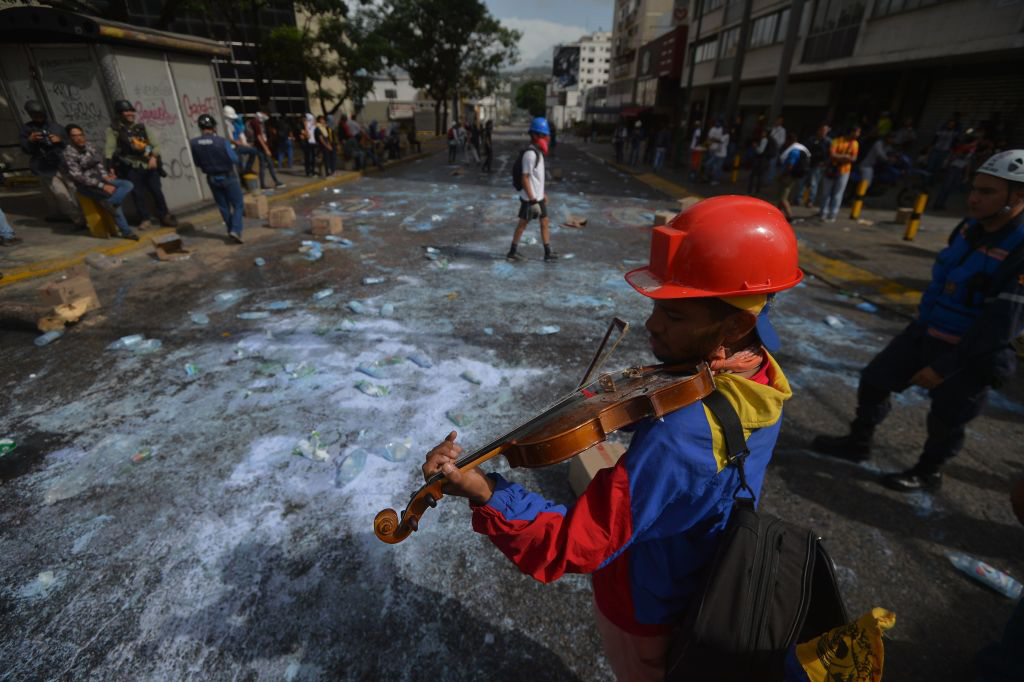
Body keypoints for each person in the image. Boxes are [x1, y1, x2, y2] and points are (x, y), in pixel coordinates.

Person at [423, 195, 802, 681]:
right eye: (658, 306)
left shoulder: (679, 435)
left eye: (676, 316)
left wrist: (482, 490)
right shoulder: (762, 375)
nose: (651, 325)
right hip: (697, 566)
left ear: (737, 323)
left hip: (646, 597)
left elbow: (573, 544)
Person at [811, 149, 1024, 491]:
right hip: (929, 330)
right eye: (974, 189)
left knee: (947, 417)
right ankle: (858, 442)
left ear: (1019, 196)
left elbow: (1001, 325)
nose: (973, 198)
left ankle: (929, 471)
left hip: (973, 354)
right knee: (876, 379)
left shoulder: (1019, 248)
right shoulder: (969, 228)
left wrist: (945, 367)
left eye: (987, 192)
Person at [104, 99, 177, 230]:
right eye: (126, 111)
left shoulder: (142, 127)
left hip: (148, 164)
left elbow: (155, 146)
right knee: (137, 194)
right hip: (131, 166)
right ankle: (145, 218)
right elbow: (109, 149)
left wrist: (153, 157)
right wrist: (109, 166)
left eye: (131, 110)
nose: (129, 113)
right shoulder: (114, 130)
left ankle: (164, 215)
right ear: (119, 114)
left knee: (156, 191)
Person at [61, 124, 137, 240]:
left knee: (127, 184)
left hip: (100, 179)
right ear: (69, 138)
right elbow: (78, 176)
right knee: (112, 198)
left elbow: (99, 164)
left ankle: (111, 202)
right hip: (86, 185)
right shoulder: (68, 153)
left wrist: (106, 176)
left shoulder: (90, 146)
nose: (79, 138)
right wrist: (102, 185)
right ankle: (126, 231)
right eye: (74, 136)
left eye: (81, 135)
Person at [18, 100, 84, 228]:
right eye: (34, 115)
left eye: (40, 114)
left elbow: (71, 144)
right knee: (62, 196)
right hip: (46, 168)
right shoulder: (27, 130)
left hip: (63, 164)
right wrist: (30, 140)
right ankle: (79, 221)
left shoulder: (55, 127)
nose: (38, 117)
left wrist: (60, 140)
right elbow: (25, 149)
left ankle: (87, 215)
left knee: (76, 191)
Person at [507, 117, 558, 263]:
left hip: (538, 196)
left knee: (545, 222)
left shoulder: (538, 152)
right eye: (543, 135)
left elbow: (537, 178)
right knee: (523, 224)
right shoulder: (530, 154)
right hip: (530, 199)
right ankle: (512, 251)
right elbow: (525, 178)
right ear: (535, 136)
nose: (546, 138)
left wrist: (542, 193)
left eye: (546, 135)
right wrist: (534, 200)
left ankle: (548, 252)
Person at [189, 114, 245, 244]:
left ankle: (230, 230)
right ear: (213, 127)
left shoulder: (194, 143)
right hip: (228, 177)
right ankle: (235, 230)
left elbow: (197, 163)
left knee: (223, 207)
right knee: (238, 204)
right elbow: (234, 159)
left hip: (212, 178)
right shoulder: (222, 141)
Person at [818, 126, 860, 222]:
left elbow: (853, 158)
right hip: (831, 170)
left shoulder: (855, 144)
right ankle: (823, 213)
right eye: (856, 132)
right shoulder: (837, 141)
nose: (858, 135)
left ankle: (833, 214)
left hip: (844, 171)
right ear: (851, 132)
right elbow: (832, 155)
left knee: (838, 193)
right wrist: (845, 157)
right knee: (826, 192)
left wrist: (840, 157)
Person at [933, 130, 979, 210]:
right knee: (946, 187)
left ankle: (941, 204)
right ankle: (937, 204)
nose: (977, 144)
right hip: (953, 168)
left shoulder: (971, 150)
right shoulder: (962, 147)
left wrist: (966, 175)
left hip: (960, 169)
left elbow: (968, 163)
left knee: (950, 188)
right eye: (976, 142)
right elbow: (956, 154)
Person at [776, 133, 809, 221]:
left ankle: (789, 216)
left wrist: (782, 175)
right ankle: (776, 213)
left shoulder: (794, 151)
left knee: (783, 197)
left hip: (788, 177)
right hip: (792, 176)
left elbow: (790, 166)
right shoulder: (799, 148)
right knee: (782, 195)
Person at [796, 124, 831, 207]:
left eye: (825, 131)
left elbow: (828, 154)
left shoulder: (827, 141)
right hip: (808, 164)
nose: (823, 132)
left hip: (818, 166)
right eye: (822, 130)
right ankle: (798, 199)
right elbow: (805, 150)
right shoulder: (811, 139)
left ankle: (810, 201)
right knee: (802, 182)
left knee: (813, 183)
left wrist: (824, 163)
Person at [248, 110, 284, 189]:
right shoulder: (256, 123)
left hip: (261, 147)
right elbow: (259, 137)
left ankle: (268, 183)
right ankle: (270, 182)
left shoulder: (257, 122)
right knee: (266, 165)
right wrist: (266, 149)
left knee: (265, 165)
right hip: (261, 148)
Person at [222, 105, 257, 181]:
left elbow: (241, 136)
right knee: (238, 163)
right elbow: (230, 140)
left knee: (253, 151)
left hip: (238, 146)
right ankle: (240, 179)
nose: (231, 120)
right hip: (232, 148)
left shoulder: (235, 124)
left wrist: (246, 144)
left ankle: (248, 169)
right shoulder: (224, 126)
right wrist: (239, 142)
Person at [706, 118, 729, 185]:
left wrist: (712, 139)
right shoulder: (722, 135)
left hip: (722, 155)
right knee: (709, 164)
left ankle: (716, 180)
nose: (723, 130)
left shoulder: (726, 135)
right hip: (717, 153)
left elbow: (719, 141)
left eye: (724, 129)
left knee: (717, 168)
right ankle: (711, 177)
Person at [747, 130, 769, 196]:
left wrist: (755, 146)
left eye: (763, 132)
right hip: (762, 161)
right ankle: (756, 191)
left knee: (754, 176)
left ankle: (752, 191)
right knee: (759, 176)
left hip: (759, 161)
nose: (762, 133)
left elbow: (760, 151)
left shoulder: (764, 140)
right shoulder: (764, 140)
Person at [767, 116, 786, 181]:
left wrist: (775, 142)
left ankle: (770, 179)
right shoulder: (773, 128)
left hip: (775, 148)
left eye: (780, 121)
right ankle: (766, 177)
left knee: (772, 163)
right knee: (768, 163)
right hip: (769, 148)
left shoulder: (782, 130)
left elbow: (782, 141)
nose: (778, 122)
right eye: (778, 120)